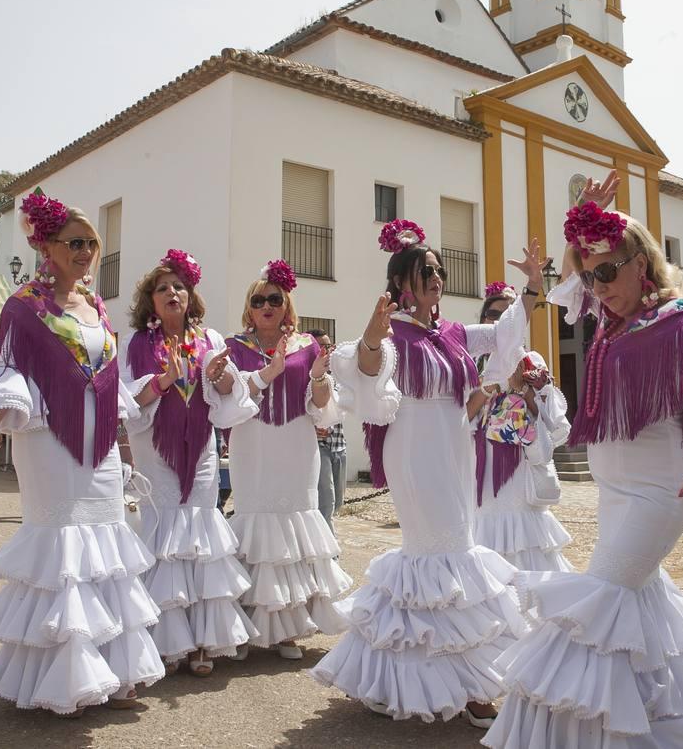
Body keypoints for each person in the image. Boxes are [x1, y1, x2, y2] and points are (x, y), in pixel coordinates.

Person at [483, 173, 683, 749]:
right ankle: (644, 732)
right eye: (592, 275)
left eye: (609, 271)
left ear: (642, 263)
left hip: (661, 489)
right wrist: (583, 218)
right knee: (626, 612)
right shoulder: (612, 319)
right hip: (615, 493)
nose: (597, 284)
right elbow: (569, 277)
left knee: (597, 606)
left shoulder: (677, 319)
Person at [312, 219, 542, 730]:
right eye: (425, 271)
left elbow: (505, 332)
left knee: (454, 544)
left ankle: (431, 674)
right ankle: (473, 684)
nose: (436, 277)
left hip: (456, 443)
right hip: (413, 446)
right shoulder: (392, 334)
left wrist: (531, 286)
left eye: (438, 269)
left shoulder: (454, 333)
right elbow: (369, 367)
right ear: (401, 283)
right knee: (441, 551)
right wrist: (373, 335)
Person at [0, 189, 164, 715]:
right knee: (65, 557)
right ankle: (61, 676)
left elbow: (108, 385)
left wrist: (123, 448)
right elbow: (9, 378)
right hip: (49, 444)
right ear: (45, 245)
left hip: (99, 451)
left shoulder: (97, 308)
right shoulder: (22, 308)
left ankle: (112, 672)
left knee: (106, 555)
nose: (87, 251)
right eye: (75, 242)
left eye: (92, 242)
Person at [120, 249, 261, 676]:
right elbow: (128, 402)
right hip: (155, 450)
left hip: (200, 448)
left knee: (199, 535)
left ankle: (201, 639)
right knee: (163, 534)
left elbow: (225, 397)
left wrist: (218, 374)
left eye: (179, 286)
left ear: (190, 295)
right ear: (151, 300)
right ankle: (165, 637)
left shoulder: (211, 339)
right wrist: (163, 380)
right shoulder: (135, 345)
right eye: (162, 288)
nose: (172, 293)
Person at [223, 259, 352, 660]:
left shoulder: (307, 347)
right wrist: (266, 372)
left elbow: (320, 407)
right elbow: (230, 401)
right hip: (252, 445)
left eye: (274, 299)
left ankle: (288, 629)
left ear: (286, 305)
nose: (266, 306)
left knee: (293, 535)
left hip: (297, 445)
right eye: (258, 300)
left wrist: (316, 376)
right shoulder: (233, 347)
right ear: (249, 308)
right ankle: (245, 625)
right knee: (256, 531)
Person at [470, 343, 574, 573]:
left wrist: (524, 390)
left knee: (525, 541)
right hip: (484, 474)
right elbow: (465, 418)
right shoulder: (480, 365)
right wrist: (489, 388)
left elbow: (557, 427)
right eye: (492, 317)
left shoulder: (531, 363)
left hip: (520, 476)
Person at [307, 329, 348, 533]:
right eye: (321, 346)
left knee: (337, 503)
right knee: (326, 504)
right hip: (317, 447)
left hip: (339, 445)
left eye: (329, 345)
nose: (326, 349)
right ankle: (330, 559)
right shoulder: (305, 376)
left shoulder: (337, 374)